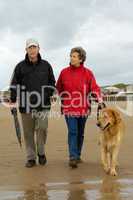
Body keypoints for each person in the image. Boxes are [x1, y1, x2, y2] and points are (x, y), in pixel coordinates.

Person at [10, 38, 56, 168]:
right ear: (26, 50)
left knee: (42, 129)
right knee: (28, 133)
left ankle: (41, 152)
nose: (32, 50)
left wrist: (47, 94)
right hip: (26, 106)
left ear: (38, 48)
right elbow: (14, 84)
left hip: (43, 105)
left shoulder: (46, 65)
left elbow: (52, 82)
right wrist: (13, 100)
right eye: (29, 47)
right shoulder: (20, 66)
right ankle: (31, 158)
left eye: (34, 47)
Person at [56, 47, 104, 168]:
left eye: (74, 56)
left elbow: (94, 88)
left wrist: (99, 99)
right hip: (69, 108)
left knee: (80, 133)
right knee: (73, 132)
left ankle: (77, 155)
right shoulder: (64, 72)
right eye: (71, 56)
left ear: (81, 59)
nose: (71, 58)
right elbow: (58, 88)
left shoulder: (88, 73)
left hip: (84, 108)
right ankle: (72, 157)